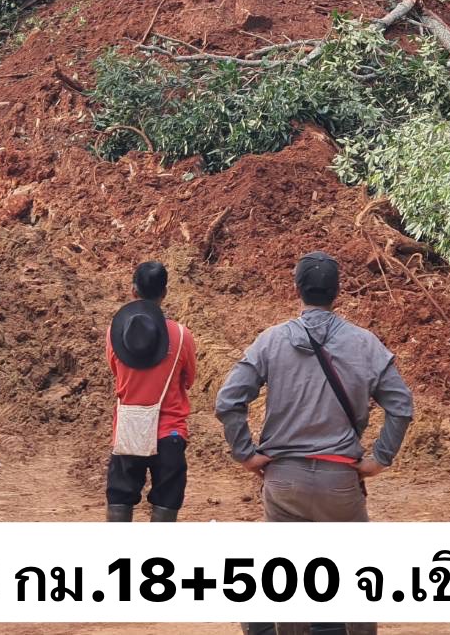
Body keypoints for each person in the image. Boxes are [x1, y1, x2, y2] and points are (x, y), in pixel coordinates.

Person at [216, 251, 414, 635]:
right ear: (338, 291)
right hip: (341, 480)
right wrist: (379, 458)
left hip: (283, 481)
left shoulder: (271, 341)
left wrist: (246, 454)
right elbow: (401, 407)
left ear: (297, 289)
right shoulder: (366, 344)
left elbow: (228, 401)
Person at [105, 260, 198, 522]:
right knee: (167, 500)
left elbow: (115, 371)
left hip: (129, 431)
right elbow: (189, 380)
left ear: (133, 291)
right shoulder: (182, 335)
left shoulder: (115, 332)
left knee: (120, 497)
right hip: (170, 432)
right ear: (164, 293)